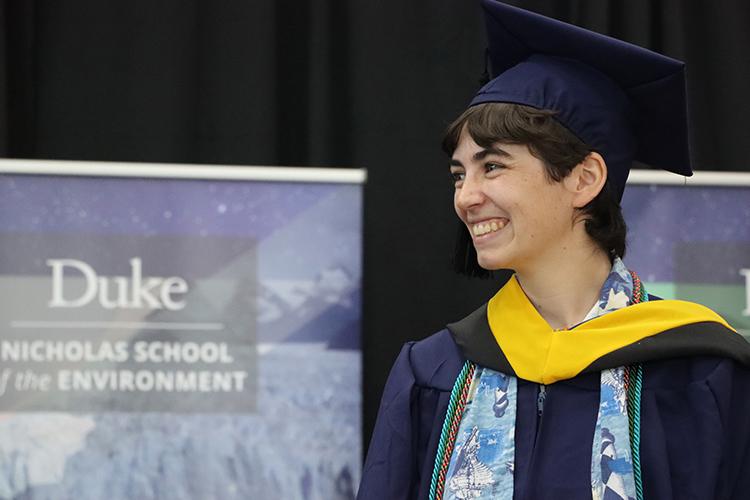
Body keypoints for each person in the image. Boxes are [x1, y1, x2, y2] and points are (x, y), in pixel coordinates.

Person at [357, 1, 750, 499]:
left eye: (492, 166)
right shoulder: (435, 371)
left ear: (584, 178)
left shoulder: (702, 372)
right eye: (460, 174)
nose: (466, 197)